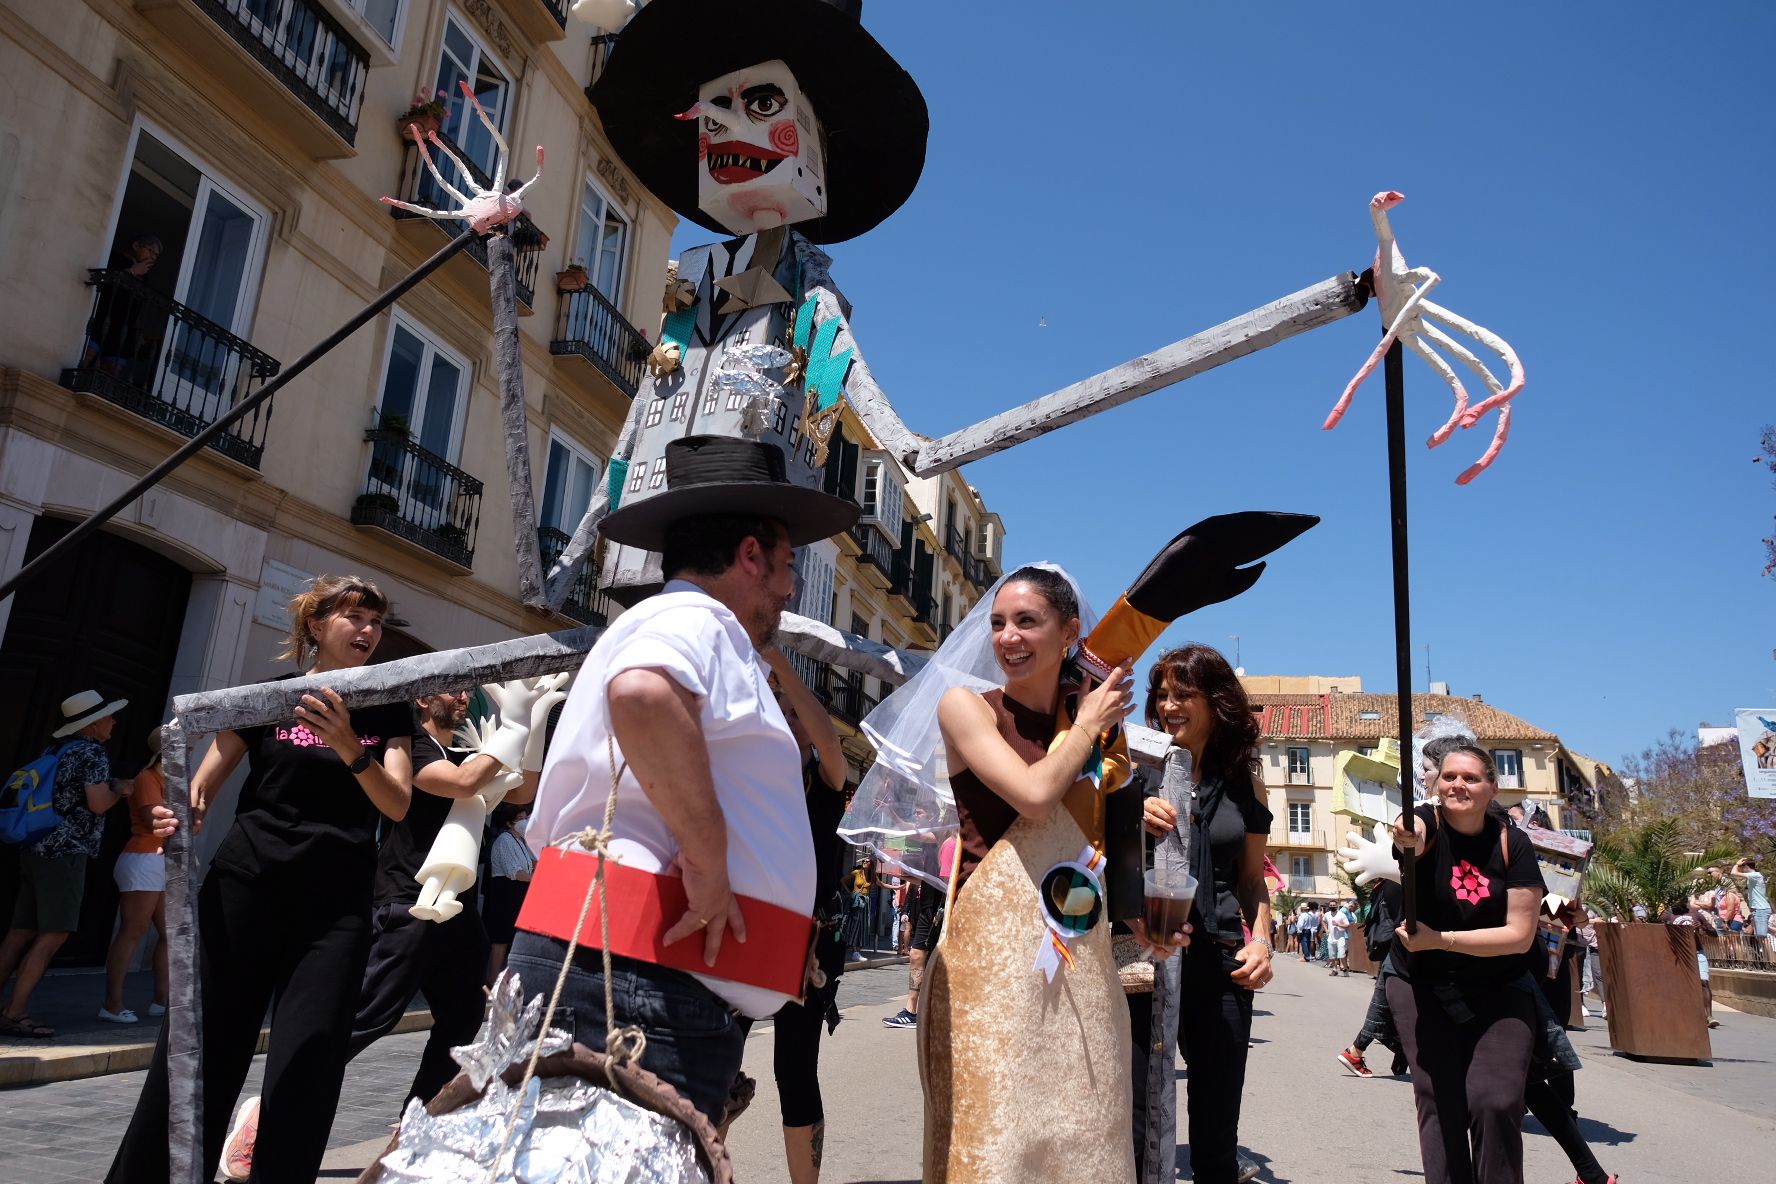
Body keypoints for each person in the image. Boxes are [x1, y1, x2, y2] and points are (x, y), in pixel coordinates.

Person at [514, 434, 860, 1126]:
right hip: (641, 974)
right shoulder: (693, 617)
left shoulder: (680, 622)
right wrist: (707, 867)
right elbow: (644, 694)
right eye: (787, 566)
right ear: (750, 557)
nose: (791, 589)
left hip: (639, 968)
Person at [108, 574, 417, 1184]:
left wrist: (350, 747)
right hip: (244, 887)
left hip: (335, 907)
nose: (368, 631)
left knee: (308, 1060)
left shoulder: (388, 702)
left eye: (375, 621)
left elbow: (399, 804)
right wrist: (176, 812)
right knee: (199, 1049)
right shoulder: (266, 698)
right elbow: (199, 788)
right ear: (315, 626)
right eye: (354, 617)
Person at [345, 681, 552, 1107]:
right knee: (367, 1017)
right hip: (410, 901)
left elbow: (521, 793)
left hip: (455, 908)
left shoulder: (459, 751)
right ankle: (278, 1102)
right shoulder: (411, 748)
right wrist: (511, 724)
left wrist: (533, 723)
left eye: (466, 691)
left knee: (463, 1012)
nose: (464, 698)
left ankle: (419, 1114)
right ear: (423, 700)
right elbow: (462, 784)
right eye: (452, 690)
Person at [1138, 643, 1275, 1184]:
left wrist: (1261, 940)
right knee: (1135, 1120)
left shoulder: (1245, 781)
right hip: (1142, 961)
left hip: (1220, 965)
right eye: (1162, 694)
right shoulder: (1132, 767)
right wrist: (1129, 814)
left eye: (1183, 694)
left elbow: (1251, 880)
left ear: (1215, 702)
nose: (1168, 705)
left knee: (1216, 1138)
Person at [1389, 745, 1545, 1184]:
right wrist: (1407, 836)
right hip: (1420, 983)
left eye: (1472, 778)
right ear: (1437, 785)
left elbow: (1519, 935)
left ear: (1492, 787)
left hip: (1500, 986)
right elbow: (1409, 829)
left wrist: (1441, 940)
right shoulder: (1425, 821)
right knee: (1439, 1103)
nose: (1458, 784)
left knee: (1495, 1101)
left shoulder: (1512, 842)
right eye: (1450, 777)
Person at [1, 690, 133, 1037]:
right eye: (108, 717)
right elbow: (98, 804)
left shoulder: (56, 749)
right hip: (66, 851)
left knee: (19, 932)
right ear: (92, 723)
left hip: (36, 846)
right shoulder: (92, 752)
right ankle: (15, 1012)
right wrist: (119, 788)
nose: (113, 722)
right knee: (54, 933)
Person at [764, 648, 848, 1184]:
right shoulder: (748, 777)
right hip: (746, 928)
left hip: (808, 941)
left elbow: (833, 744)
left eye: (793, 709)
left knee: (793, 1069)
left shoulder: (827, 779)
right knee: (719, 1057)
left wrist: (782, 666)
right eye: (775, 704)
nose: (785, 716)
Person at [101, 727, 171, 1025]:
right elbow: (152, 818)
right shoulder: (146, 778)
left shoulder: (171, 780)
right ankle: (112, 1004)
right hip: (144, 857)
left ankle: (161, 1001)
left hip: (162, 860)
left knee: (170, 934)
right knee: (133, 930)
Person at [484, 802, 537, 983]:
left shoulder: (520, 841)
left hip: (516, 894)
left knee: (510, 939)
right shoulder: (505, 840)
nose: (524, 823)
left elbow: (529, 865)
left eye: (525, 819)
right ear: (509, 823)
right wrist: (537, 879)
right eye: (520, 820)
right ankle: (491, 982)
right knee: (500, 939)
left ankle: (503, 980)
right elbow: (515, 872)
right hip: (504, 893)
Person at [1733, 856, 1768, 956]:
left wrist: (1737, 864)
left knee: (1762, 937)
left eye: (1742, 867)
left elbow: (1733, 873)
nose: (1741, 869)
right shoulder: (1754, 876)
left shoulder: (1755, 875)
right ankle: (1766, 961)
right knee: (1759, 937)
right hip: (1757, 910)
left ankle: (1772, 963)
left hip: (1761, 909)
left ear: (1746, 866)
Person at [1327, 898, 1354, 976]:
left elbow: (1347, 924)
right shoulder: (1327, 914)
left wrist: (1338, 924)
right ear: (1329, 906)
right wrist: (1326, 929)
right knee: (1332, 955)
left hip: (1340, 937)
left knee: (1342, 954)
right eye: (1331, 905)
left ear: (1337, 906)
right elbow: (1323, 920)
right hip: (1331, 938)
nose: (1332, 906)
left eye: (1334, 905)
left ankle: (1345, 969)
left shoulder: (1341, 915)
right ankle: (1334, 970)